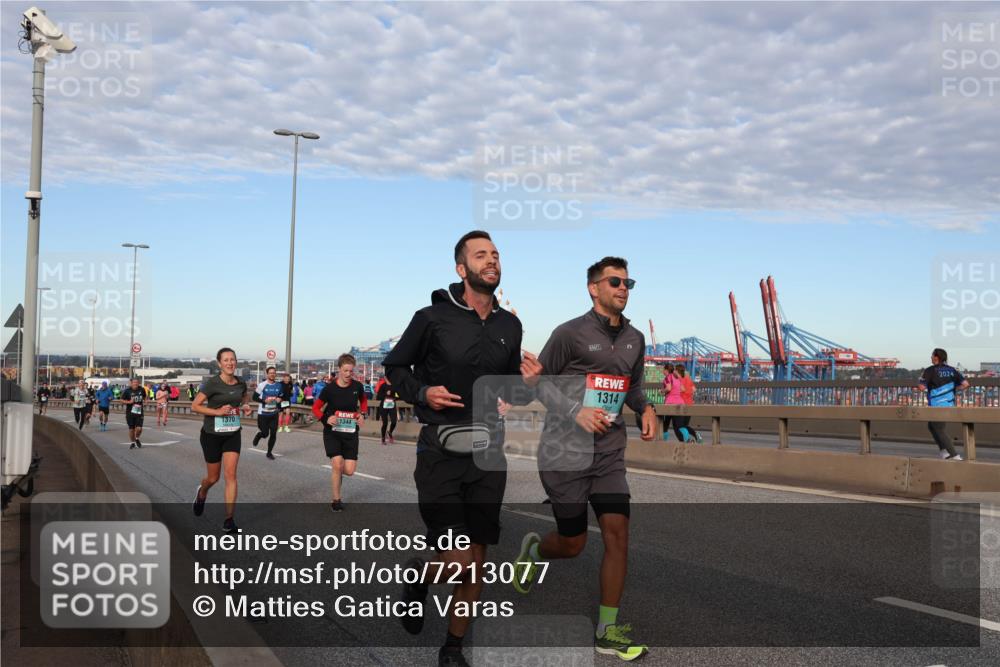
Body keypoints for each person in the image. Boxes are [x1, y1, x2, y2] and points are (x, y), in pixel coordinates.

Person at [383, 230, 540, 667]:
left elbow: (513, 393)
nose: (491, 260)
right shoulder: (431, 317)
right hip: (440, 452)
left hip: (489, 454)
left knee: (479, 561)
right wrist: (423, 391)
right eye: (480, 255)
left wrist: (526, 386)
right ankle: (419, 575)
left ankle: (452, 648)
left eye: (495, 254)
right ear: (461, 268)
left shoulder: (511, 324)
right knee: (458, 559)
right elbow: (394, 367)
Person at [513, 256, 656, 662]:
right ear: (594, 288)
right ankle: (537, 551)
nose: (623, 288)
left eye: (629, 282)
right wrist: (575, 411)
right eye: (615, 281)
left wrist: (645, 408)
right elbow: (537, 385)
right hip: (565, 453)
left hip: (609, 453)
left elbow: (632, 386)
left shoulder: (635, 339)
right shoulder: (568, 335)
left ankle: (606, 630)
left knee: (618, 535)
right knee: (573, 543)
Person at [191, 347, 253, 534]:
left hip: (232, 433)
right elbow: (195, 405)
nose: (230, 363)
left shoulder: (241, 383)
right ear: (219, 363)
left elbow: (244, 397)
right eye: (226, 360)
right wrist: (217, 412)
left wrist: (246, 405)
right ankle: (202, 492)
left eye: (232, 359)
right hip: (211, 435)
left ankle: (229, 520)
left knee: (231, 476)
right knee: (213, 478)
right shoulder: (212, 384)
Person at [312, 354, 368, 511]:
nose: (349, 374)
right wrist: (325, 418)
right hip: (333, 432)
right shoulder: (329, 389)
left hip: (350, 433)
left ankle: (338, 471)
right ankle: (336, 500)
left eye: (351, 371)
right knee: (337, 464)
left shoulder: (357, 386)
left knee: (349, 471)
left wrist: (362, 414)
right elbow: (315, 408)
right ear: (339, 369)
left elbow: (363, 401)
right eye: (346, 371)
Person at [917, 348, 969, 461]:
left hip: (936, 405)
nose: (930, 357)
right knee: (932, 426)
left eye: (932, 355)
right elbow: (965, 384)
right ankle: (944, 452)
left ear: (937, 357)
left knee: (938, 428)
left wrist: (923, 384)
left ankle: (954, 455)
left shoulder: (930, 370)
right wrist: (953, 388)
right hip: (949, 404)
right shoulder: (952, 370)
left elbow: (921, 387)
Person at [252, 366, 284, 459]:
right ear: (267, 374)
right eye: (270, 373)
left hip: (274, 414)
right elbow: (254, 397)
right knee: (265, 434)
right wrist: (264, 400)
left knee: (273, 433)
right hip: (263, 414)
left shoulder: (279, 385)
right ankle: (259, 435)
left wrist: (279, 399)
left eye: (274, 373)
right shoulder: (262, 385)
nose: (272, 374)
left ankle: (269, 453)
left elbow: (281, 395)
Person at [661, 363, 689, 442]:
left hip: (670, 403)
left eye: (663, 369)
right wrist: (676, 392)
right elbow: (683, 389)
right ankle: (687, 439)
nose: (663, 371)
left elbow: (668, 388)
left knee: (665, 424)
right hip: (680, 402)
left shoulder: (668, 377)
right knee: (680, 425)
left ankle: (663, 441)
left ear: (666, 370)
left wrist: (662, 391)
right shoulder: (678, 378)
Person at [675, 364, 703, 443]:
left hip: (682, 404)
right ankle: (695, 434)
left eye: (675, 370)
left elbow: (682, 389)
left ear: (677, 371)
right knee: (685, 425)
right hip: (690, 404)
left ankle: (688, 439)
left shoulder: (679, 380)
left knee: (680, 425)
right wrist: (689, 394)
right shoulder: (688, 379)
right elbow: (694, 389)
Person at [120, 377, 146, 449]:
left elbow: (145, 397)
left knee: (139, 428)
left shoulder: (142, 389)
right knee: (131, 429)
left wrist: (146, 401)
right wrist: (129, 402)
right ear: (131, 383)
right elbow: (121, 400)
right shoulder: (127, 391)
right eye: (134, 382)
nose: (135, 383)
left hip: (139, 412)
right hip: (130, 413)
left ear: (138, 383)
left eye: (137, 382)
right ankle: (132, 442)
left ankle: (137, 438)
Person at [376, 377, 400, 444]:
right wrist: (386, 394)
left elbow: (398, 395)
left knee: (394, 422)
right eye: (386, 377)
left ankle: (390, 432)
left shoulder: (394, 386)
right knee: (385, 423)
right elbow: (378, 397)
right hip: (384, 407)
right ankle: (383, 438)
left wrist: (393, 396)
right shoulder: (383, 386)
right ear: (385, 378)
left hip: (392, 406)